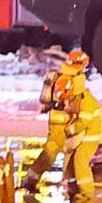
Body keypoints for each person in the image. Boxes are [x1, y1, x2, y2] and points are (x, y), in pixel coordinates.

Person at [23, 50, 86, 194]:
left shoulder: (69, 76)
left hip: (66, 118)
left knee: (71, 150)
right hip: (62, 118)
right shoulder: (70, 78)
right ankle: (31, 180)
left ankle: (72, 184)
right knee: (51, 151)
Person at [61, 71, 102, 203]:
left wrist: (70, 129)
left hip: (90, 138)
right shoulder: (77, 98)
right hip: (82, 137)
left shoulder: (87, 102)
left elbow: (83, 122)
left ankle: (87, 191)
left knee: (80, 161)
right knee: (71, 161)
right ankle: (73, 188)